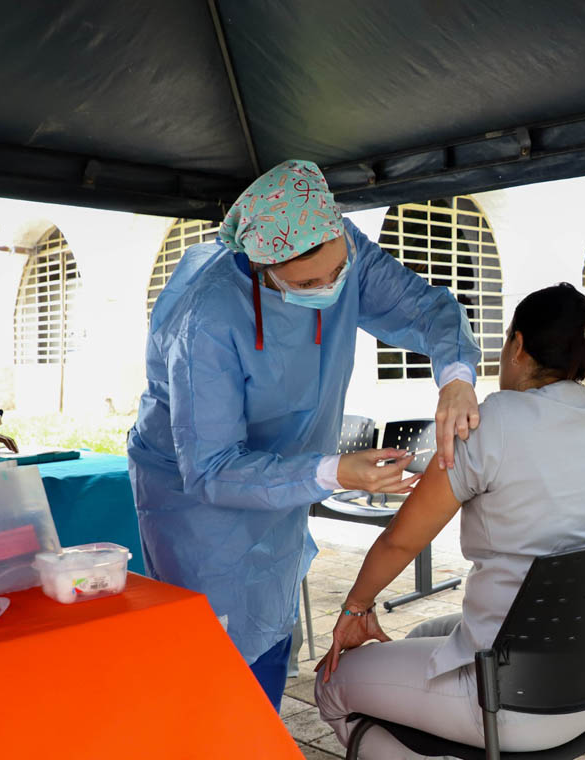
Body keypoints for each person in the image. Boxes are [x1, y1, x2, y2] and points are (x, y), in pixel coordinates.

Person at [126, 159, 481, 709]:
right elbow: (213, 468)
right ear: (261, 266)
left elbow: (425, 306)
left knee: (270, 621)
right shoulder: (208, 318)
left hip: (285, 474)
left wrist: (455, 379)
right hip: (198, 505)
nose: (330, 288)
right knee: (216, 653)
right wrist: (334, 470)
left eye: (337, 272)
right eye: (308, 283)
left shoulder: (344, 248)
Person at [314, 283, 585, 758]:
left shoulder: (493, 422)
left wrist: (357, 609)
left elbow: (401, 543)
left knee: (332, 683)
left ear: (518, 345)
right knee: (424, 635)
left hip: (509, 701)